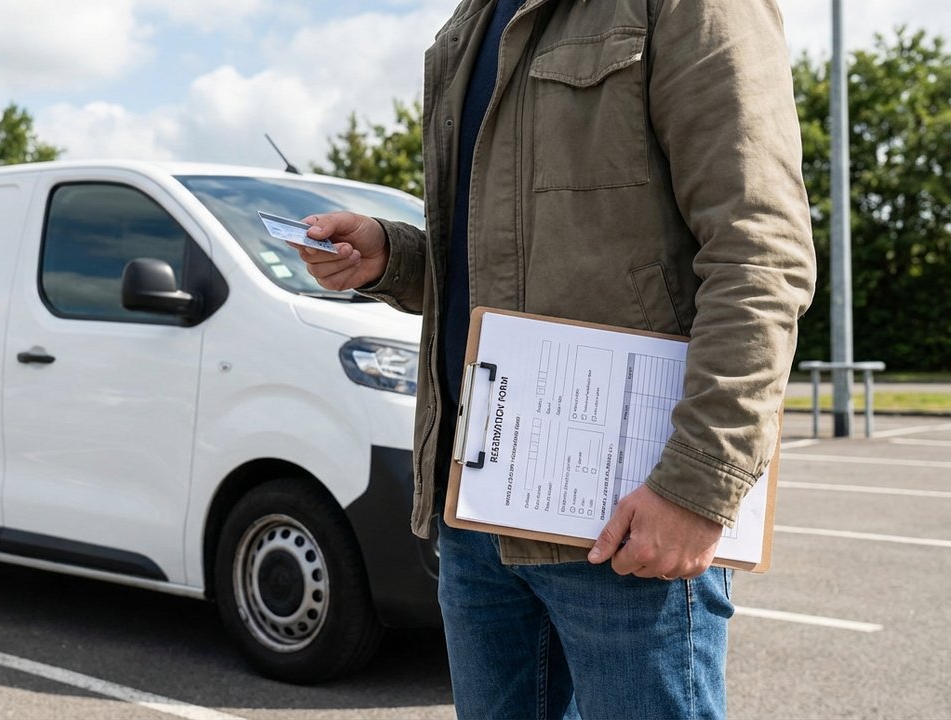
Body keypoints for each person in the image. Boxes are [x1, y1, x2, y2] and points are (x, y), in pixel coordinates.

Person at [292, 0, 815, 717]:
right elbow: (505, 261)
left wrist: (699, 485)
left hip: (627, 517)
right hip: (478, 509)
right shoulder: (473, 20)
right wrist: (396, 256)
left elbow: (761, 255)